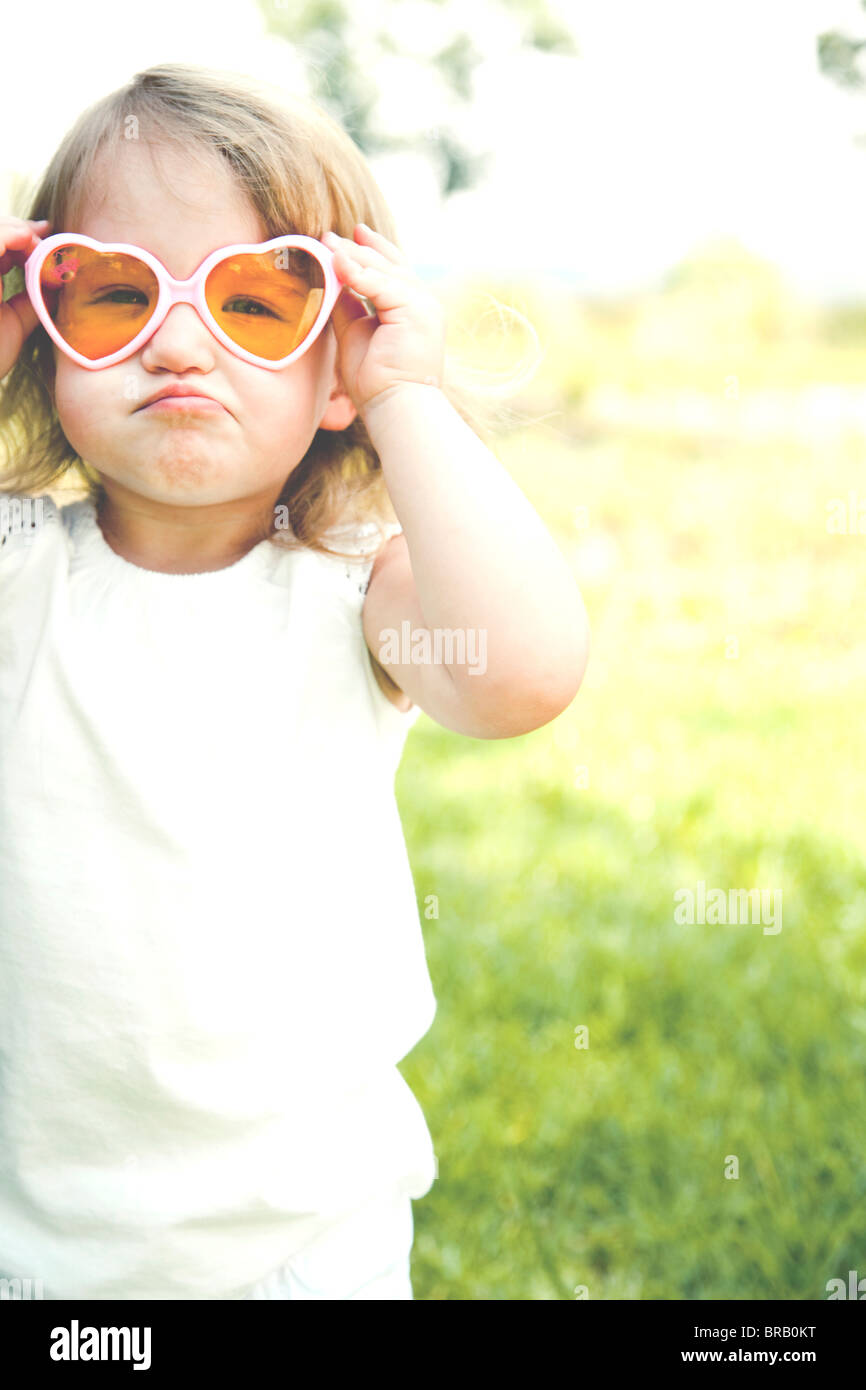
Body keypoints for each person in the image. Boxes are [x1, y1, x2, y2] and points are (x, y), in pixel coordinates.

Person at [0, 63, 590, 1300]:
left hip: (300, 1252)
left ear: (335, 370)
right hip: (34, 1252)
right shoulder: (18, 577)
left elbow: (524, 675)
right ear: (44, 336)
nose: (174, 339)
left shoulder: (352, 598)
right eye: (112, 297)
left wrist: (406, 403)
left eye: (254, 305)